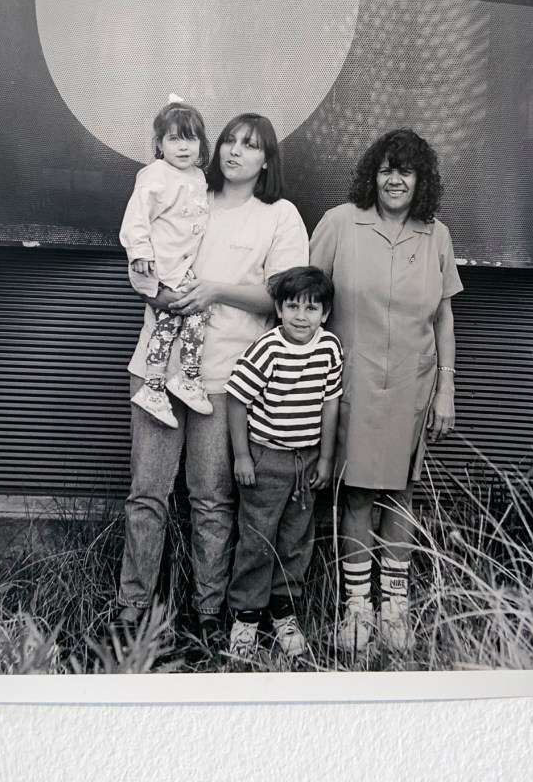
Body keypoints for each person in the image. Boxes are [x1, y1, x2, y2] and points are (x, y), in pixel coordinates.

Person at [116, 113, 309, 641]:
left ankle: (208, 614)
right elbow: (143, 254)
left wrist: (216, 290)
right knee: (147, 494)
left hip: (226, 378)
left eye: (250, 146)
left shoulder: (279, 216)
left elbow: (284, 297)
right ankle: (130, 613)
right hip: (158, 367)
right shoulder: (189, 192)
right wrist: (152, 289)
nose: (235, 152)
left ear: (266, 159)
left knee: (212, 498)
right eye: (229, 141)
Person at [309, 128, 463, 657]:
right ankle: (357, 611)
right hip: (351, 380)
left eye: (406, 171)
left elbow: (444, 316)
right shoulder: (340, 223)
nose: (394, 179)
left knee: (401, 491)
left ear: (420, 180)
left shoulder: (435, 234)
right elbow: (307, 298)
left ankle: (394, 607)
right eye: (386, 169)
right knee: (356, 492)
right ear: (372, 175)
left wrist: (446, 388)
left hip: (413, 383)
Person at [226, 266, 342, 659]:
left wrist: (325, 457)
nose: (300, 316)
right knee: (258, 539)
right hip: (266, 458)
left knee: (296, 539)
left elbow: (330, 403)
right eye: (292, 306)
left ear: (324, 314)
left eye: (311, 309)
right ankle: (246, 616)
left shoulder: (329, 348)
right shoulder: (267, 348)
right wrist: (242, 455)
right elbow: (237, 398)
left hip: (306, 460)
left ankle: (284, 611)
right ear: (278, 308)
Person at [119, 97, 213, 428]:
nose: (183, 147)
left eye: (190, 139)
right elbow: (136, 218)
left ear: (201, 143)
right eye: (174, 139)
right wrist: (140, 252)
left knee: (183, 319)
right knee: (180, 316)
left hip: (179, 267)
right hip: (157, 267)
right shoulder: (155, 174)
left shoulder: (198, 177)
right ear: (159, 144)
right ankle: (167, 383)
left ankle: (171, 382)